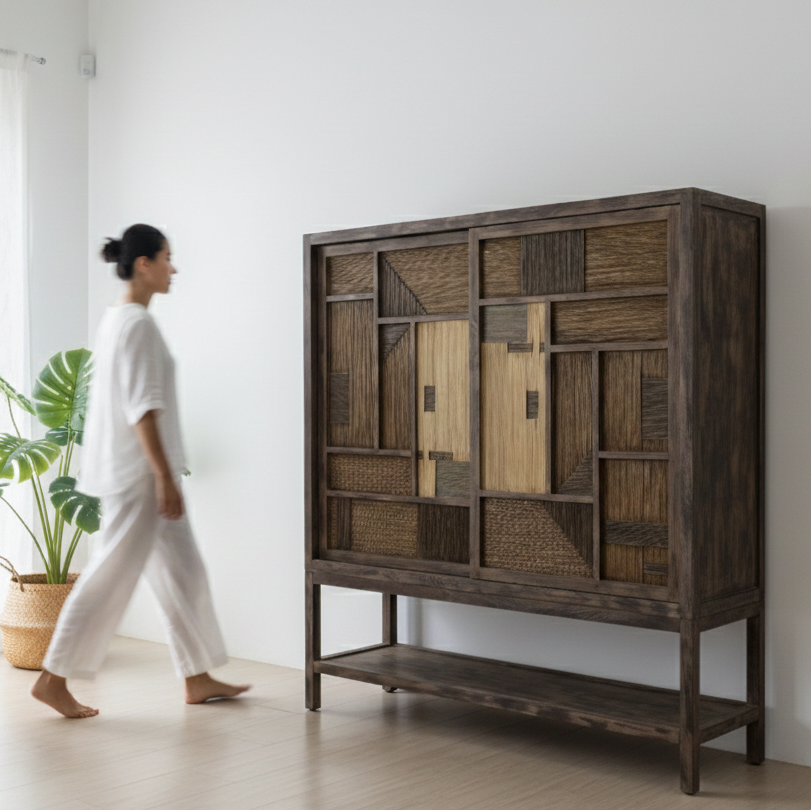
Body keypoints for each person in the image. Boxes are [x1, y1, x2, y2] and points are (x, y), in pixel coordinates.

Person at [32, 224, 249, 718]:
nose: (174, 268)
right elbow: (143, 407)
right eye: (167, 258)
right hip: (139, 477)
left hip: (132, 471)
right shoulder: (138, 325)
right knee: (108, 575)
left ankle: (197, 677)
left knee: (182, 572)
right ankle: (52, 678)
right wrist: (164, 477)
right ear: (144, 264)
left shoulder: (118, 319)